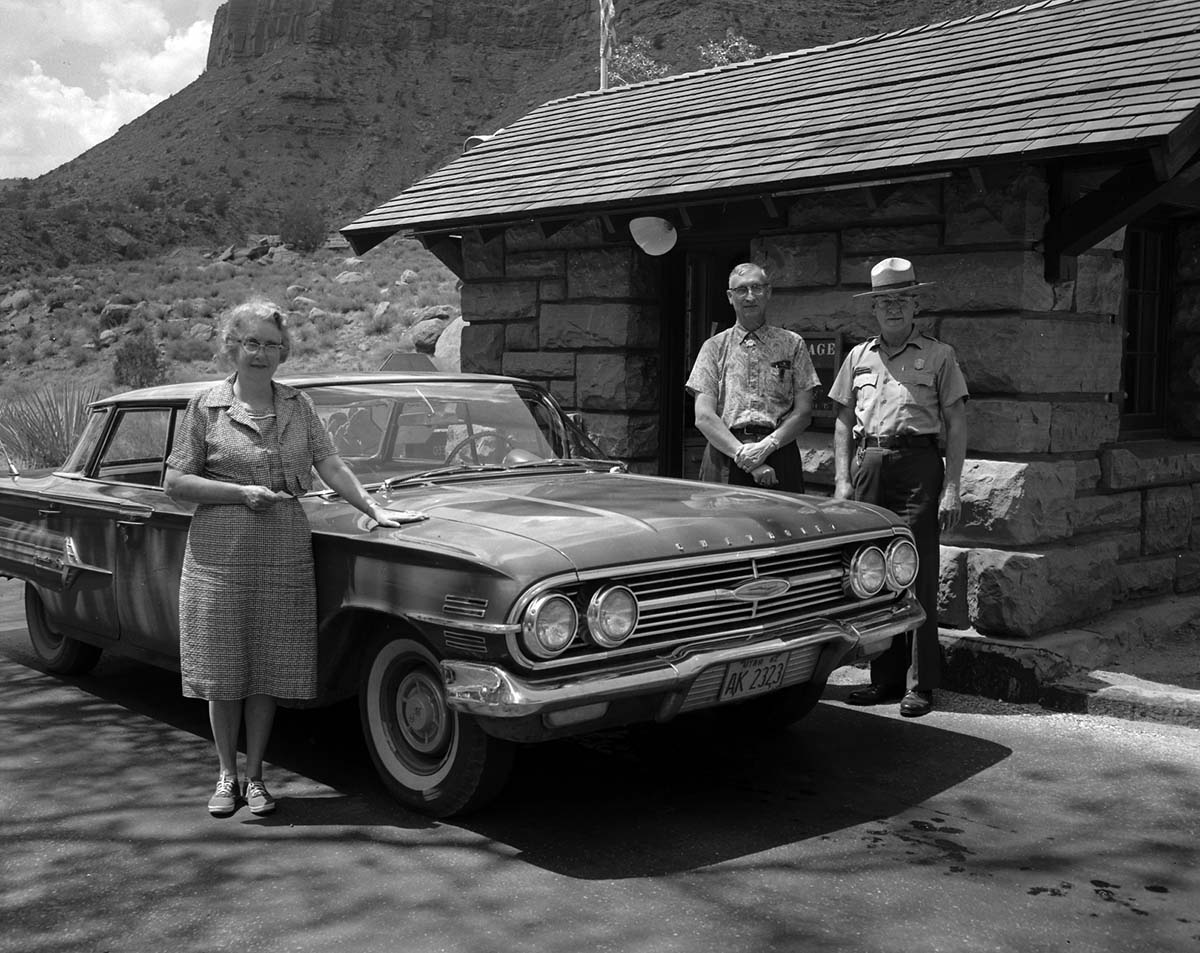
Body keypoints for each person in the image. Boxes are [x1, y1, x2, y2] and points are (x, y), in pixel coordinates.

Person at [164, 299, 423, 816]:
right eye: (252, 342)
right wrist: (240, 494)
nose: (261, 353)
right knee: (223, 667)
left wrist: (373, 508)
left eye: (272, 345)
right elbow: (174, 481)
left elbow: (329, 463)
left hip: (283, 545)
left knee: (270, 664)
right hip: (219, 551)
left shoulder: (298, 405)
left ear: (284, 352)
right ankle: (225, 775)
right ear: (233, 346)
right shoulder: (206, 405)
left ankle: (256, 776)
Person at [828, 257, 968, 717]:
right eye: (883, 301)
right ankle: (883, 679)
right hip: (870, 462)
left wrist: (952, 487)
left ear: (915, 304)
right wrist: (843, 480)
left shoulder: (939, 355)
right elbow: (844, 417)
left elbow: (957, 422)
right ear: (873, 309)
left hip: (918, 465)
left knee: (919, 573)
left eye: (900, 299)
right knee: (872, 574)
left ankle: (920, 683)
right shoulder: (858, 356)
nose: (892, 308)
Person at [685, 263, 821, 492]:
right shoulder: (713, 348)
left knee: (783, 526)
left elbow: (804, 412)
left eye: (756, 288)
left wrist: (766, 447)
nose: (750, 296)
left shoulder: (792, 344)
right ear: (730, 297)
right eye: (741, 290)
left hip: (779, 452)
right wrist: (742, 454)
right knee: (721, 528)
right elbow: (704, 416)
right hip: (724, 455)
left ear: (768, 292)